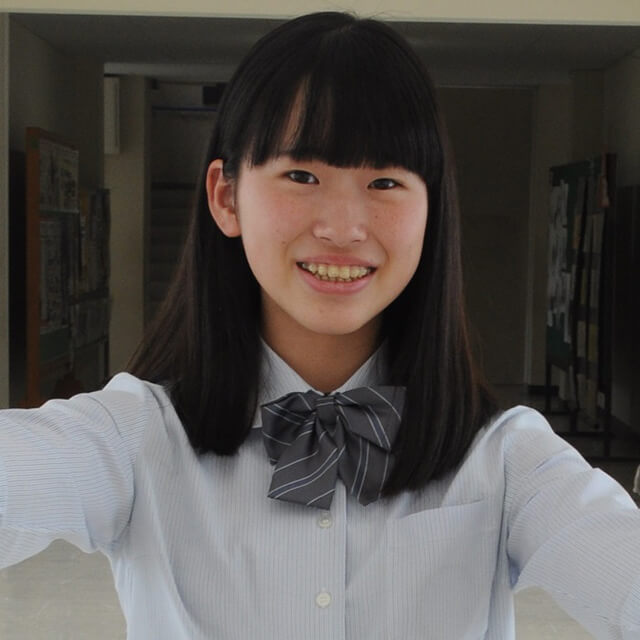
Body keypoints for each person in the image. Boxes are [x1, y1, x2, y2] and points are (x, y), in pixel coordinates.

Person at [1, 11, 639, 640]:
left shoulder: (504, 456)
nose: (342, 228)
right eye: (301, 175)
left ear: (432, 210)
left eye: (384, 180)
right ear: (226, 196)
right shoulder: (135, 437)